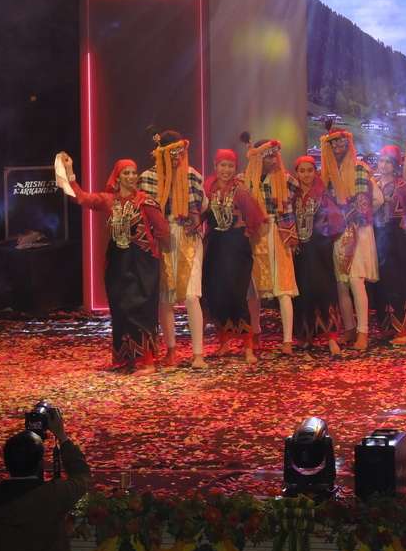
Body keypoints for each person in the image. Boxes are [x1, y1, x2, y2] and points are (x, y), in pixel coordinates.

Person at [60, 153, 167, 371]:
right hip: (118, 263)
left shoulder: (145, 202)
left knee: (140, 308)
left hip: (142, 264)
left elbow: (163, 230)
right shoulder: (109, 201)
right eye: (126, 173)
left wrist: (148, 245)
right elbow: (80, 197)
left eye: (134, 173)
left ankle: (147, 361)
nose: (131, 176)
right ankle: (128, 357)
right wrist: (69, 171)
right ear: (117, 178)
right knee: (121, 309)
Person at [0, 406, 91, 551]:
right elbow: (82, 476)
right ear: (40, 463)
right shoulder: (54, 495)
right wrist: (62, 436)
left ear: (6, 463)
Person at [139, 130, 205, 368]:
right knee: (165, 298)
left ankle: (198, 354)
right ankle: (171, 351)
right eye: (172, 152)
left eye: (180, 151)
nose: (177, 156)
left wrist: (195, 218)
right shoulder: (148, 177)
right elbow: (146, 210)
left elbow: (203, 206)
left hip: (188, 236)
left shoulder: (192, 175)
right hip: (162, 237)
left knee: (191, 295)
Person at [201, 147, 264, 363]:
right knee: (217, 294)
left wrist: (245, 232)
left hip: (236, 248)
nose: (226, 170)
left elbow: (255, 217)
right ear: (215, 166)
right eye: (222, 165)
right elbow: (202, 213)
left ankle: (248, 347)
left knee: (238, 295)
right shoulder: (208, 188)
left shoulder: (240, 190)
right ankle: (224, 342)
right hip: (215, 247)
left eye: (230, 166)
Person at [321, 125, 381, 350]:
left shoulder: (359, 168)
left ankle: (363, 333)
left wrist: (360, 216)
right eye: (333, 144)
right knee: (341, 283)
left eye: (341, 143)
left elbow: (376, 199)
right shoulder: (327, 174)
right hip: (337, 232)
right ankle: (349, 329)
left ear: (348, 145)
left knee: (356, 280)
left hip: (358, 230)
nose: (337, 147)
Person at [289, 154, 347, 354]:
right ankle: (306, 336)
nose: (306, 175)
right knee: (303, 291)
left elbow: (337, 221)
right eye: (302, 171)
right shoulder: (293, 196)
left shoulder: (323, 194)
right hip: (300, 252)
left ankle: (331, 338)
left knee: (325, 290)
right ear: (297, 173)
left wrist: (325, 238)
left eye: (310, 170)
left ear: (315, 172)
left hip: (320, 250)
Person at [244, 136, 298, 353]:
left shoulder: (286, 180)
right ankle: (255, 331)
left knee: (284, 287)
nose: (273, 160)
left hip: (279, 233)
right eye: (267, 157)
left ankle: (287, 340)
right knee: (253, 288)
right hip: (255, 235)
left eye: (274, 156)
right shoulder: (245, 180)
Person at [372, 144, 406, 346]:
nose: (384, 165)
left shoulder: (402, 186)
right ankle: (390, 327)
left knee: (399, 281)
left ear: (395, 165)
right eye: (381, 161)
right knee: (383, 283)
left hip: (397, 239)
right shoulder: (373, 183)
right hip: (378, 236)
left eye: (388, 162)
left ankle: (405, 330)